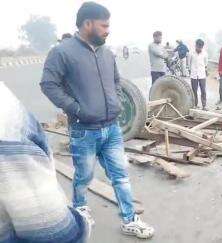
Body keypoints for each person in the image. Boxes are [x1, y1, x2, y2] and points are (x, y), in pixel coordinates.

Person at [40, 2, 154, 239]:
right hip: (84, 130)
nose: (107, 30)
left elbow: (115, 80)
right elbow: (48, 85)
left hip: (111, 128)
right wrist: (76, 109)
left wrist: (116, 104)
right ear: (87, 23)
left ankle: (130, 219)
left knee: (120, 175)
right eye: (104, 25)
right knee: (84, 176)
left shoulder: (106, 53)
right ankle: (81, 208)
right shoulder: (63, 52)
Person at [0, 83, 90, 243]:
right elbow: (51, 232)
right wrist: (76, 108)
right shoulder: (5, 117)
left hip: (108, 125)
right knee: (84, 172)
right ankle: (82, 204)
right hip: (85, 126)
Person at [188, 39, 208, 110]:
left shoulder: (205, 54)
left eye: (200, 47)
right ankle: (195, 105)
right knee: (194, 91)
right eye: (198, 46)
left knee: (203, 90)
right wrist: (190, 72)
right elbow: (189, 64)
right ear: (195, 45)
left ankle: (204, 106)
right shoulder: (191, 53)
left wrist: (205, 71)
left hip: (202, 75)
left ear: (202, 47)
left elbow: (206, 64)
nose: (199, 48)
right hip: (193, 75)